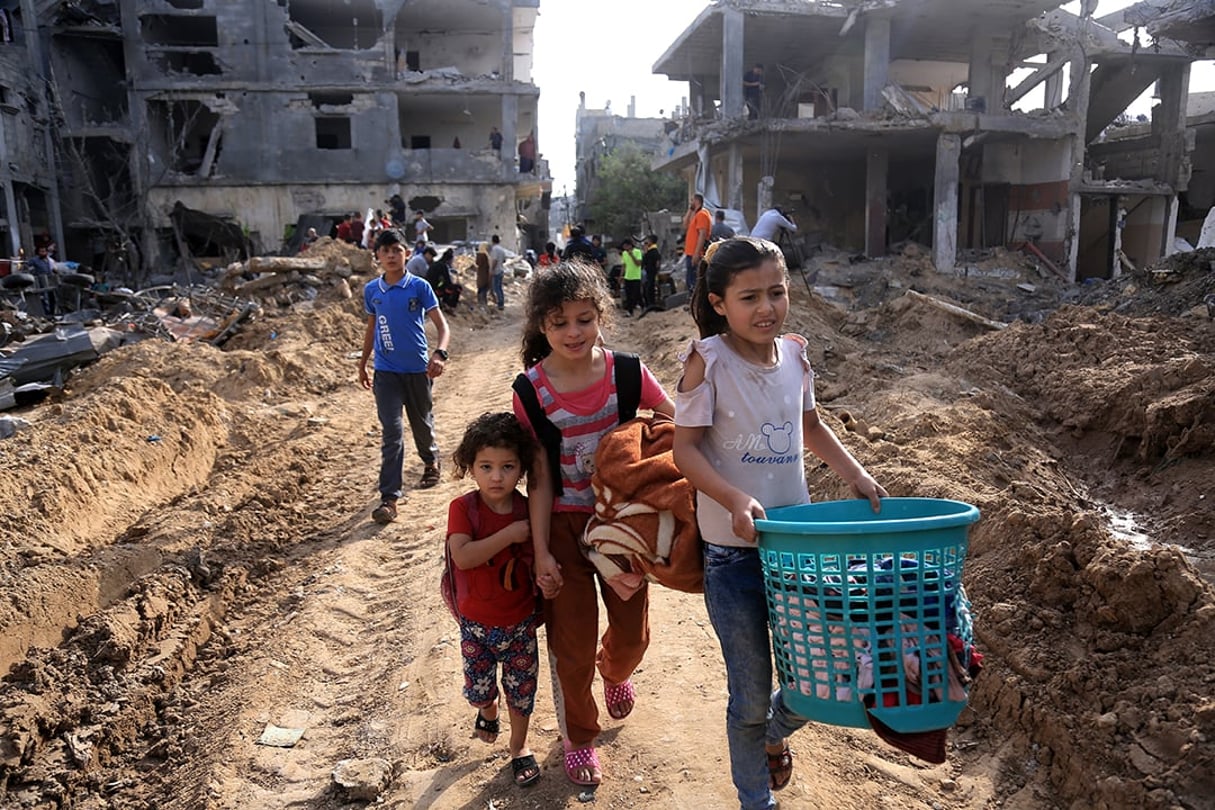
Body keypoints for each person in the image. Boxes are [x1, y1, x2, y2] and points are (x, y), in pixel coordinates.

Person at [671, 237, 887, 810]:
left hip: (797, 551)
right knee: (748, 693)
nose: (766, 308)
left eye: (776, 292)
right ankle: (754, 798)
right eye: (749, 297)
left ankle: (773, 732)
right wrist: (733, 498)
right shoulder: (708, 361)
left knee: (820, 676)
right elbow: (685, 452)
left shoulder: (794, 355)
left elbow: (811, 426)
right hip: (733, 557)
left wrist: (857, 475)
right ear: (719, 303)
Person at [513, 262, 675, 787]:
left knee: (631, 637)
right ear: (542, 326)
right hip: (564, 528)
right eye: (560, 323)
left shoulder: (628, 373)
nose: (573, 333)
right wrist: (541, 552)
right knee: (572, 642)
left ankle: (617, 672)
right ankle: (579, 736)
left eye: (584, 319)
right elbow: (538, 478)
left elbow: (678, 425)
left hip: (623, 526)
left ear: (601, 315)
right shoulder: (531, 390)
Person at [446, 412, 543, 789]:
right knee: (480, 688)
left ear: (522, 469)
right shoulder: (464, 508)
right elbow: (464, 556)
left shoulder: (526, 507)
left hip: (519, 622)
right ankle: (488, 710)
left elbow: (538, 558)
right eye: (486, 466)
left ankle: (519, 748)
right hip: (475, 625)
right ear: (471, 467)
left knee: (522, 690)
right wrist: (511, 534)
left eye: (507, 467)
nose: (497, 476)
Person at [358, 229, 452, 524]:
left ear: (406, 253)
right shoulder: (372, 290)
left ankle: (431, 460)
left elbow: (443, 326)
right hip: (385, 373)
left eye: (396, 250)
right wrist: (363, 363)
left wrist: (440, 354)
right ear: (377, 256)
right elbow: (372, 329)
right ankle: (389, 498)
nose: (390, 255)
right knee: (392, 432)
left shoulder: (419, 287)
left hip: (417, 370)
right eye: (384, 251)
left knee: (421, 421)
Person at [683, 193, 712, 292]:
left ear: (696, 201)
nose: (690, 202)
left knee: (694, 282)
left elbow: (702, 234)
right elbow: (685, 225)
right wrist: (690, 210)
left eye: (692, 200)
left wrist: (696, 253)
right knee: (690, 280)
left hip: (695, 254)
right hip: (690, 252)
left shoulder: (702, 215)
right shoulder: (696, 215)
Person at [427, 248, 462, 313]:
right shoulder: (443, 266)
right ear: (449, 260)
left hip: (429, 286)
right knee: (457, 288)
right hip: (435, 289)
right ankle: (449, 305)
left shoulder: (436, 263)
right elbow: (446, 281)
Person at [28, 244, 56, 318]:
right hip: (40, 281)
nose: (42, 253)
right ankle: (45, 313)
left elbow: (53, 269)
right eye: (41, 251)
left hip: (50, 281)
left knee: (52, 297)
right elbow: (27, 267)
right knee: (43, 298)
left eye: (44, 251)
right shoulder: (34, 260)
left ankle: (52, 313)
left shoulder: (50, 260)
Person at [619, 237, 643, 316]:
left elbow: (638, 263)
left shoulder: (637, 252)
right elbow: (624, 265)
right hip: (627, 276)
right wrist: (621, 275)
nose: (624, 248)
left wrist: (632, 255)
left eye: (626, 246)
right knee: (628, 295)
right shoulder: (624, 253)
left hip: (636, 276)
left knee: (636, 294)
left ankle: (642, 306)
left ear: (630, 245)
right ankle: (630, 311)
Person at [489, 234, 510, 311]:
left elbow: (494, 260)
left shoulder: (494, 249)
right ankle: (501, 302)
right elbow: (504, 260)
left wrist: (492, 269)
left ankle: (500, 304)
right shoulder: (501, 249)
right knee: (499, 288)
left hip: (496, 271)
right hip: (501, 270)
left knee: (496, 288)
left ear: (492, 240)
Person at [641, 234, 662, 309]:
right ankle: (648, 304)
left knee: (650, 288)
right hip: (648, 272)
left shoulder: (654, 251)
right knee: (647, 288)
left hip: (652, 272)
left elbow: (657, 262)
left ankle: (651, 304)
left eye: (648, 240)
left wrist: (656, 271)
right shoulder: (649, 251)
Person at [475, 241, 491, 309]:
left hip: (480, 274)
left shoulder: (478, 255)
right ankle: (483, 303)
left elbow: (477, 263)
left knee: (480, 289)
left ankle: (480, 302)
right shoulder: (485, 255)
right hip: (485, 274)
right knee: (484, 289)